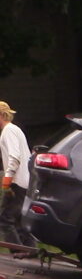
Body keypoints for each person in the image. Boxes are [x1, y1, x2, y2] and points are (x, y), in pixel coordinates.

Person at [0, 101, 35, 254]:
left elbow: (15, 157)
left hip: (17, 182)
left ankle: (18, 252)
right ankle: (30, 250)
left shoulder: (9, 131)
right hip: (24, 181)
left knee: (5, 220)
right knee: (20, 220)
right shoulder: (15, 130)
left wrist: (7, 179)